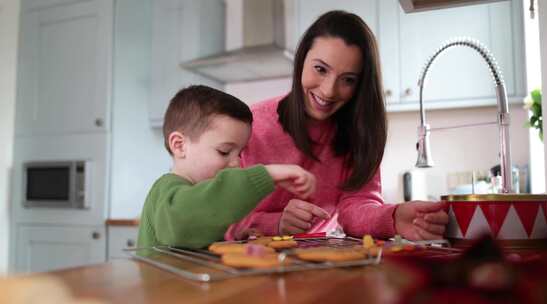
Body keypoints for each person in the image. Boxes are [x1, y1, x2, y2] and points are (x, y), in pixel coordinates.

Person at [225, 11, 448, 241]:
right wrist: (276, 223)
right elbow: (214, 215)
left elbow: (356, 207)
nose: (329, 91)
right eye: (320, 69)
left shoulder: (358, 133)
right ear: (302, 60)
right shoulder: (249, 126)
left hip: (313, 264)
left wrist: (392, 218)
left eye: (348, 80)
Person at [137, 85, 316, 249]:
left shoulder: (202, 198)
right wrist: (266, 174)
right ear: (179, 145)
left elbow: (203, 225)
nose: (237, 163)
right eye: (224, 151)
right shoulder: (165, 191)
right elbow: (184, 224)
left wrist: (234, 235)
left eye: (239, 153)